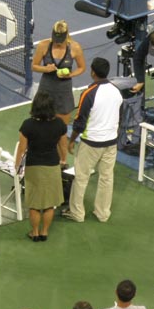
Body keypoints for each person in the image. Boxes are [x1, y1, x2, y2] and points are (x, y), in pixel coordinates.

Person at [63, 57, 122, 223]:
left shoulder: (89, 93)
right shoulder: (116, 91)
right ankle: (103, 213)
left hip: (91, 143)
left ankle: (77, 213)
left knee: (81, 177)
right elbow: (120, 116)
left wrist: (72, 140)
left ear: (93, 72)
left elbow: (80, 120)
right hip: (111, 142)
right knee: (106, 178)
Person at [15, 91, 68, 242]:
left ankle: (35, 232)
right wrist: (63, 160)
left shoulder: (28, 125)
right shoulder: (59, 124)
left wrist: (17, 165)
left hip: (34, 167)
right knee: (49, 203)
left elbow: (22, 149)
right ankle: (44, 232)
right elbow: (63, 146)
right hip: (52, 166)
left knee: (35, 204)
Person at [31, 20, 86, 126]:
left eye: (60, 40)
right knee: (40, 124)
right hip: (45, 89)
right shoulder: (43, 45)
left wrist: (70, 75)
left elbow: (82, 67)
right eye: (56, 39)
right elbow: (33, 66)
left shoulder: (75, 47)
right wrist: (45, 69)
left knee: (61, 128)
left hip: (64, 91)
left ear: (66, 35)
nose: (58, 42)